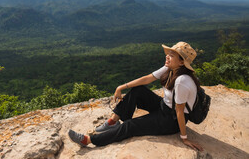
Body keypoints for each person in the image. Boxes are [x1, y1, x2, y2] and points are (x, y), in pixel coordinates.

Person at [68, 41, 204, 151]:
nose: (167, 56)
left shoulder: (182, 81)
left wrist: (184, 137)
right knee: (137, 90)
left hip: (171, 120)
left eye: (172, 55)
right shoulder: (170, 69)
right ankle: (113, 122)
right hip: (164, 106)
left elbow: (180, 111)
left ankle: (89, 140)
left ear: (181, 62)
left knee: (131, 126)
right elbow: (147, 79)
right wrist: (121, 87)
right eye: (168, 53)